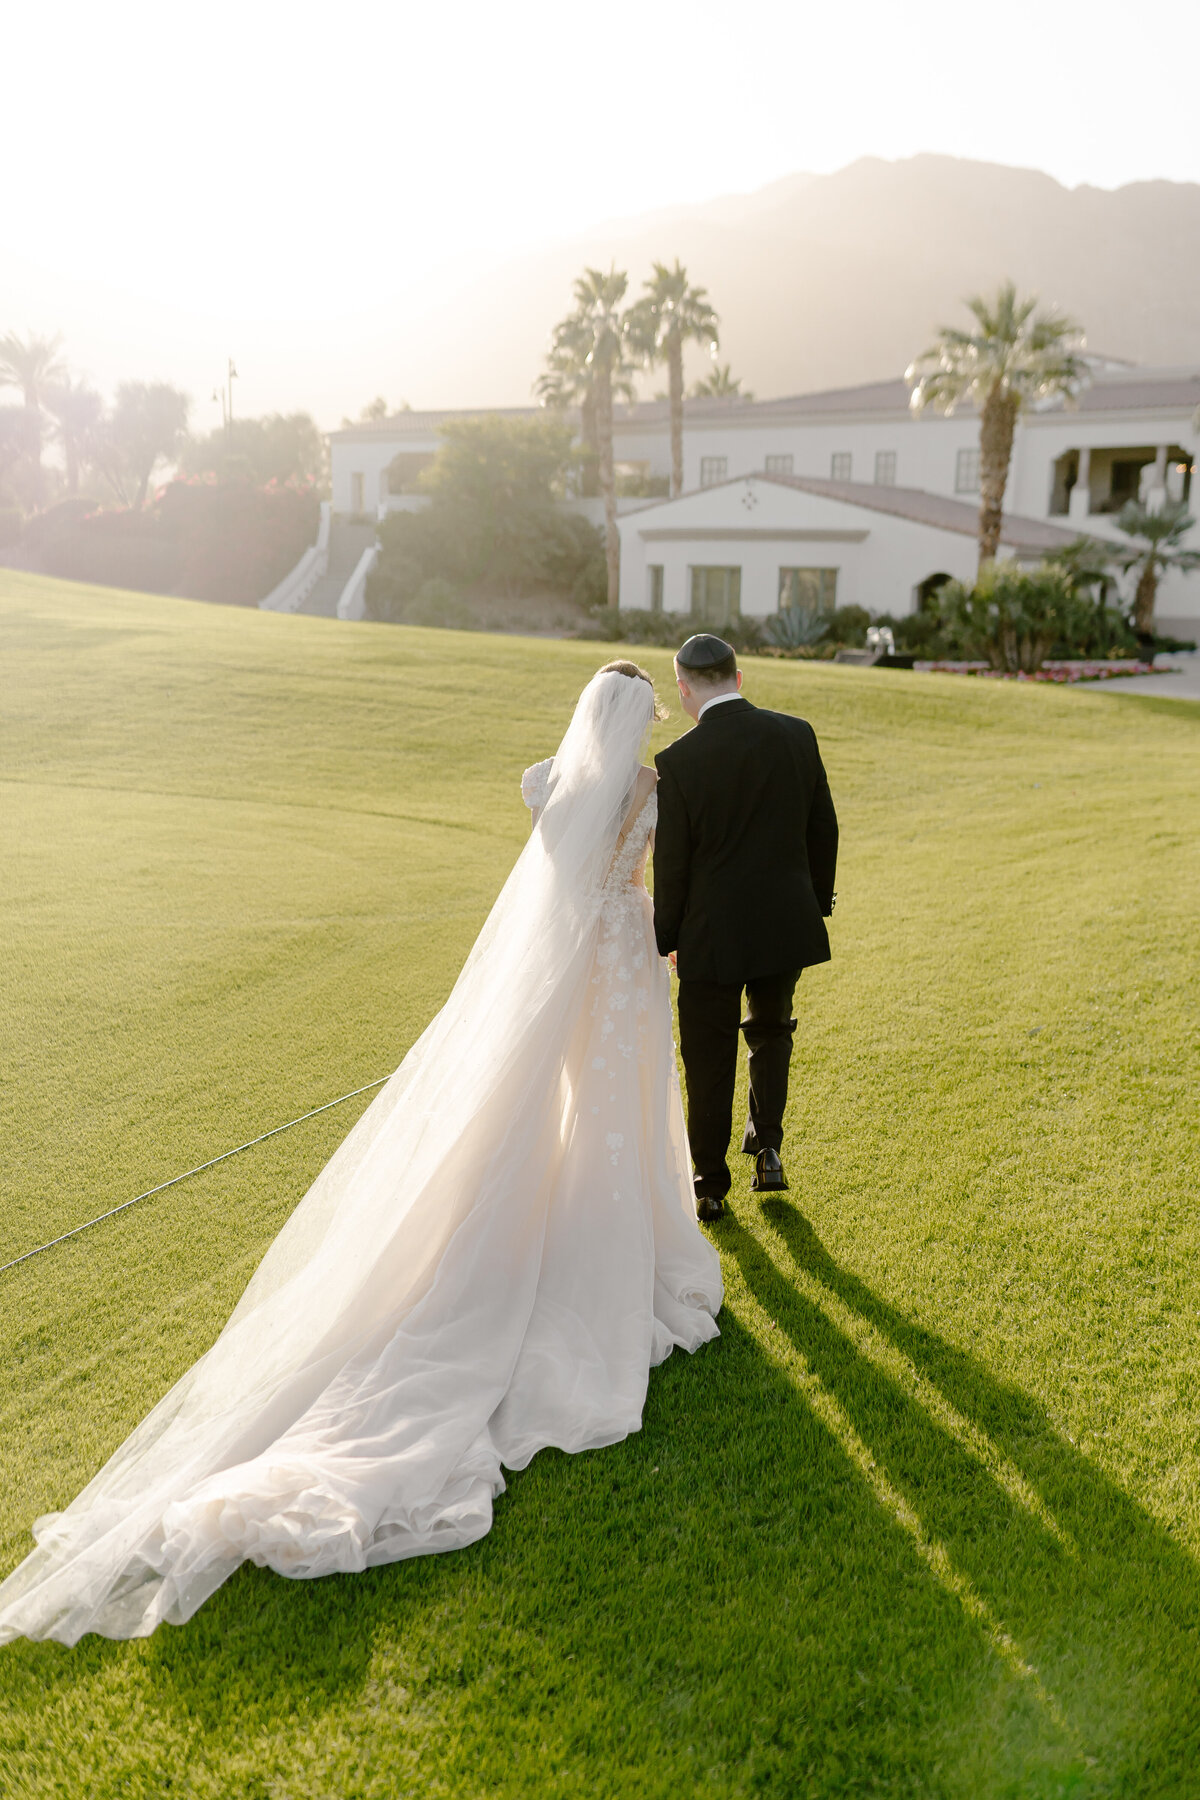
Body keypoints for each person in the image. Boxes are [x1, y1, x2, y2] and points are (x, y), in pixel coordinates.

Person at [0, 663, 721, 1647]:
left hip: (561, 966)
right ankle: (600, 1237)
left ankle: (543, 1227)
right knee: (617, 1112)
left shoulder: (546, 779)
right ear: (640, 719)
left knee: (559, 1113)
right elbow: (657, 878)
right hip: (622, 960)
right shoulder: (652, 791)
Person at [653, 634, 838, 1220]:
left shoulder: (677, 762)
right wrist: (815, 902)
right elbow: (823, 828)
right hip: (785, 921)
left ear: (684, 688)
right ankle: (770, 1152)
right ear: (740, 676)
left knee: (710, 1055)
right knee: (771, 1031)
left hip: (710, 933)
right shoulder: (796, 734)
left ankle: (709, 1183)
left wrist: (666, 938)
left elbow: (672, 865)